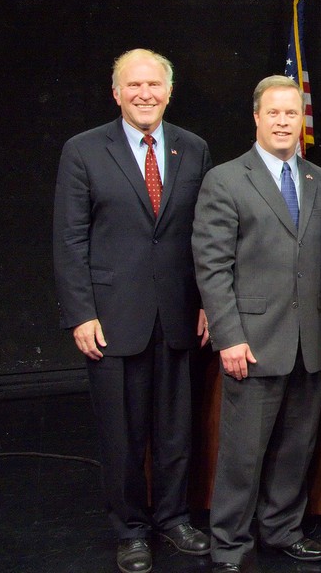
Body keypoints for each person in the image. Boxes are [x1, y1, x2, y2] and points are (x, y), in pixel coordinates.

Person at [53, 48, 213, 573]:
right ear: (116, 93)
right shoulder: (83, 150)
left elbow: (205, 235)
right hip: (111, 318)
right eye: (134, 85)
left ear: (169, 92)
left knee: (176, 431)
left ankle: (173, 518)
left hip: (179, 315)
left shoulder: (194, 148)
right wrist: (81, 313)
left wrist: (207, 303)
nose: (145, 94)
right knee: (122, 436)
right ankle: (130, 530)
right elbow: (69, 239)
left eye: (154, 85)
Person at [192, 75, 321, 573]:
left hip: (311, 341)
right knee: (243, 453)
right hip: (253, 342)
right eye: (274, 113)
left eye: (291, 114)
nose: (284, 122)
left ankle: (282, 530)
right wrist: (229, 337)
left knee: (296, 447)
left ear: (301, 121)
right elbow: (212, 267)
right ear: (257, 117)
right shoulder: (225, 180)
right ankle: (230, 545)